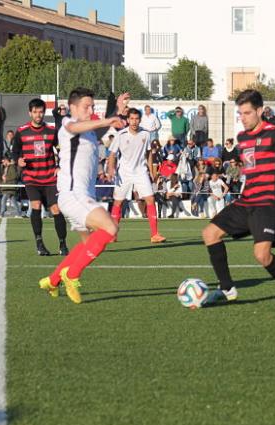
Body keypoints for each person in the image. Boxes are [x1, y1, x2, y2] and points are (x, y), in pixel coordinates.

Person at [202, 90, 275, 307]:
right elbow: (252, 164)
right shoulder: (242, 138)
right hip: (247, 199)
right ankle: (227, 288)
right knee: (210, 233)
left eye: (247, 113)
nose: (243, 118)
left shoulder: (274, 133)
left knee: (261, 255)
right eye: (240, 113)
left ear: (259, 111)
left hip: (268, 203)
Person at [38, 87, 126, 304]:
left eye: (93, 107)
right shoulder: (67, 125)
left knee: (89, 244)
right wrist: (107, 121)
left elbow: (97, 129)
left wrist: (118, 112)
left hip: (82, 195)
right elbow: (79, 126)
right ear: (72, 107)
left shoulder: (87, 130)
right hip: (73, 195)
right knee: (111, 228)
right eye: (87, 107)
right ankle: (72, 274)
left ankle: (53, 279)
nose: (91, 110)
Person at [11, 98, 69, 256]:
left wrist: (59, 167)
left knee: (56, 209)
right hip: (31, 178)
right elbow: (14, 151)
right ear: (30, 113)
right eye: (35, 112)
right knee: (35, 205)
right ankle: (39, 243)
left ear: (44, 113)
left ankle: (63, 244)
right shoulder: (21, 131)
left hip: (50, 177)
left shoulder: (51, 131)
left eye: (41, 112)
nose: (38, 115)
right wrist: (18, 160)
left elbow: (62, 150)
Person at [105, 106, 167, 244]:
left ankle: (155, 234)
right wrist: (111, 170)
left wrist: (151, 171)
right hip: (124, 173)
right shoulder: (120, 135)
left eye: (136, 119)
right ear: (127, 120)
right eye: (131, 119)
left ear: (140, 120)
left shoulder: (146, 134)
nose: (134, 121)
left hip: (140, 171)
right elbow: (112, 154)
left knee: (150, 199)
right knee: (118, 202)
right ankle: (113, 234)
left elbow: (149, 153)